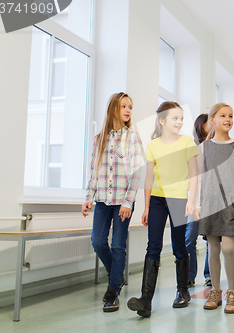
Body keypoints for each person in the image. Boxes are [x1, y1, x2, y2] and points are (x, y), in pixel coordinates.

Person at [127, 101, 198, 317]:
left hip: (178, 198)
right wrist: (146, 206)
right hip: (157, 199)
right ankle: (146, 299)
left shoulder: (187, 142)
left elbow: (194, 174)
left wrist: (191, 200)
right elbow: (148, 177)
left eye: (181, 118)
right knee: (153, 246)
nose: (179, 122)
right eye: (175, 118)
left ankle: (183, 291)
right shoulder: (153, 145)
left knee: (179, 246)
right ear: (162, 120)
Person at [82, 92, 143, 312]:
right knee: (98, 242)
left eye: (130, 107)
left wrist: (129, 201)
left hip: (123, 200)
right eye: (123, 106)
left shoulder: (132, 138)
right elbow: (94, 171)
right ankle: (117, 275)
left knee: (118, 244)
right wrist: (89, 197)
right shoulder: (100, 139)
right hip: (102, 200)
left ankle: (112, 291)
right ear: (113, 109)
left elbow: (136, 172)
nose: (128, 110)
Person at [196, 103, 234, 314]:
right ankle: (215, 291)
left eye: (231, 116)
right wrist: (198, 204)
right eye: (223, 116)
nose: (228, 119)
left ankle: (232, 292)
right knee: (213, 249)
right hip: (209, 203)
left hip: (229, 204)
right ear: (213, 120)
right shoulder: (204, 148)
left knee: (227, 248)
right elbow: (199, 177)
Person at [185, 113, 211, 288]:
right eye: (210, 121)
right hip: (194, 200)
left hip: (211, 200)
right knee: (189, 239)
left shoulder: (216, 146)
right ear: (201, 126)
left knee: (212, 240)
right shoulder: (193, 148)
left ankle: (209, 275)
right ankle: (189, 276)